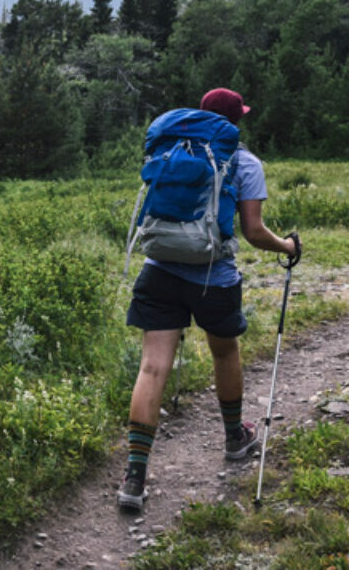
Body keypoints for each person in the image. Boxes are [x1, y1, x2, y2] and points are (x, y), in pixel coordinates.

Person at [118, 87, 300, 510]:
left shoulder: (171, 149)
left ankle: (134, 477)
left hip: (158, 268)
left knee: (151, 366)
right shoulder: (246, 161)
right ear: (235, 121)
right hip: (213, 278)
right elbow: (254, 233)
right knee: (224, 353)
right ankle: (235, 438)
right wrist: (289, 248)